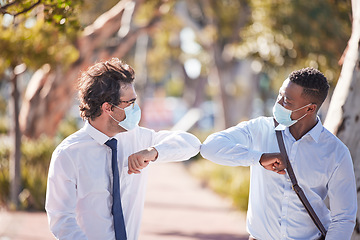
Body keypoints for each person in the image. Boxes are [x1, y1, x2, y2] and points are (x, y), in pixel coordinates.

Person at [45, 58, 201, 240]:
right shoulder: (68, 154)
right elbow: (61, 219)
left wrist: (153, 151)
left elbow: (192, 144)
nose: (136, 108)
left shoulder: (137, 137)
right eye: (130, 103)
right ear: (108, 108)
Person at [200, 67, 357, 240]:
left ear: (310, 109)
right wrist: (259, 158)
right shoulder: (259, 129)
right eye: (279, 96)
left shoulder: (336, 152)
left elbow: (343, 218)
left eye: (287, 102)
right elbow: (210, 147)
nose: (279, 103)